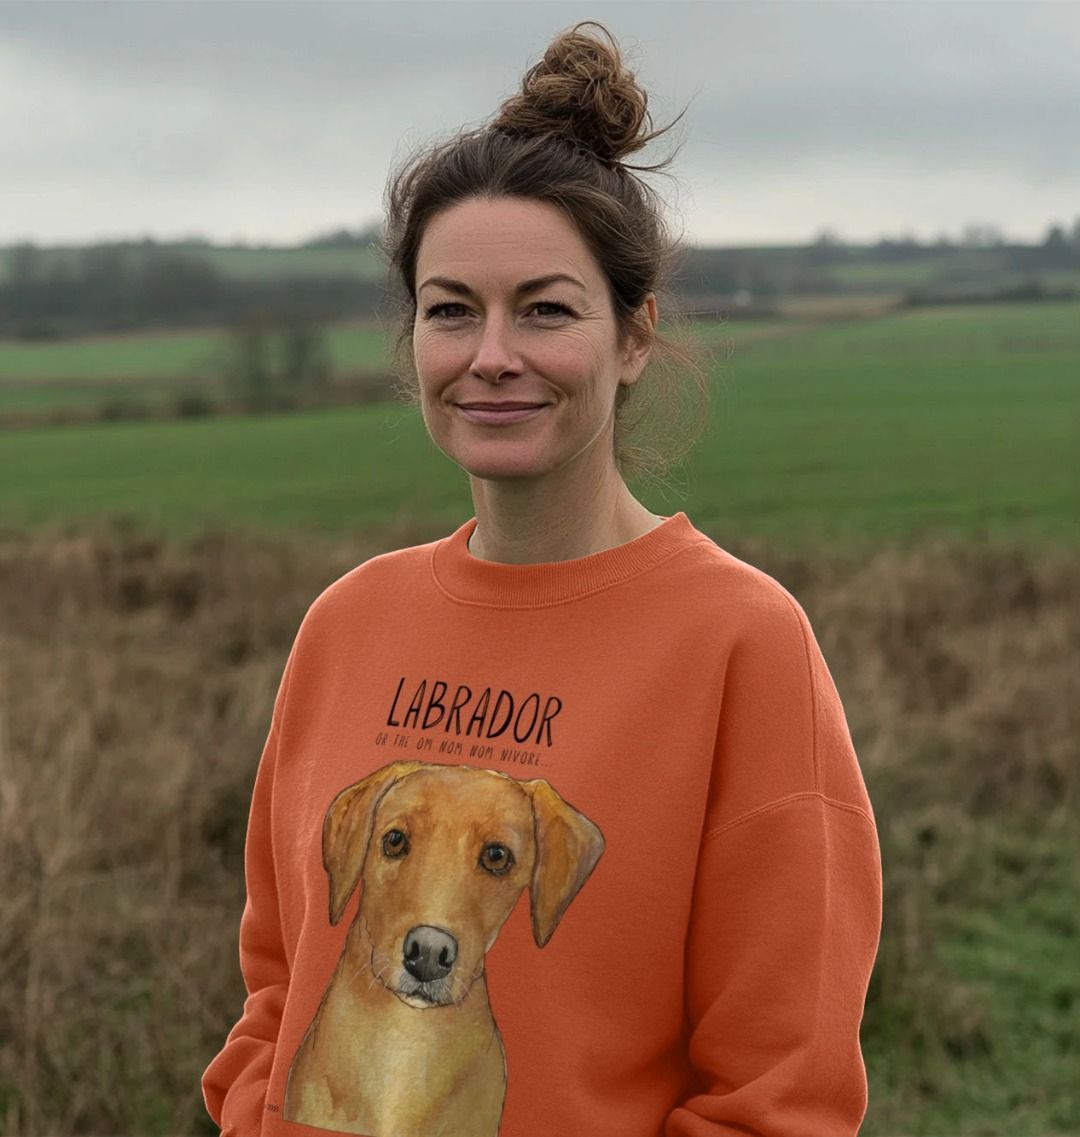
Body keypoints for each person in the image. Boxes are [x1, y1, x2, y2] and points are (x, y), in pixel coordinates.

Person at [202, 21, 882, 1137]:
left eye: (547, 309)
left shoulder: (739, 643)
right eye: (452, 308)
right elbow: (278, 980)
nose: (492, 355)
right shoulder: (347, 624)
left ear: (633, 337)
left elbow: (781, 1093)